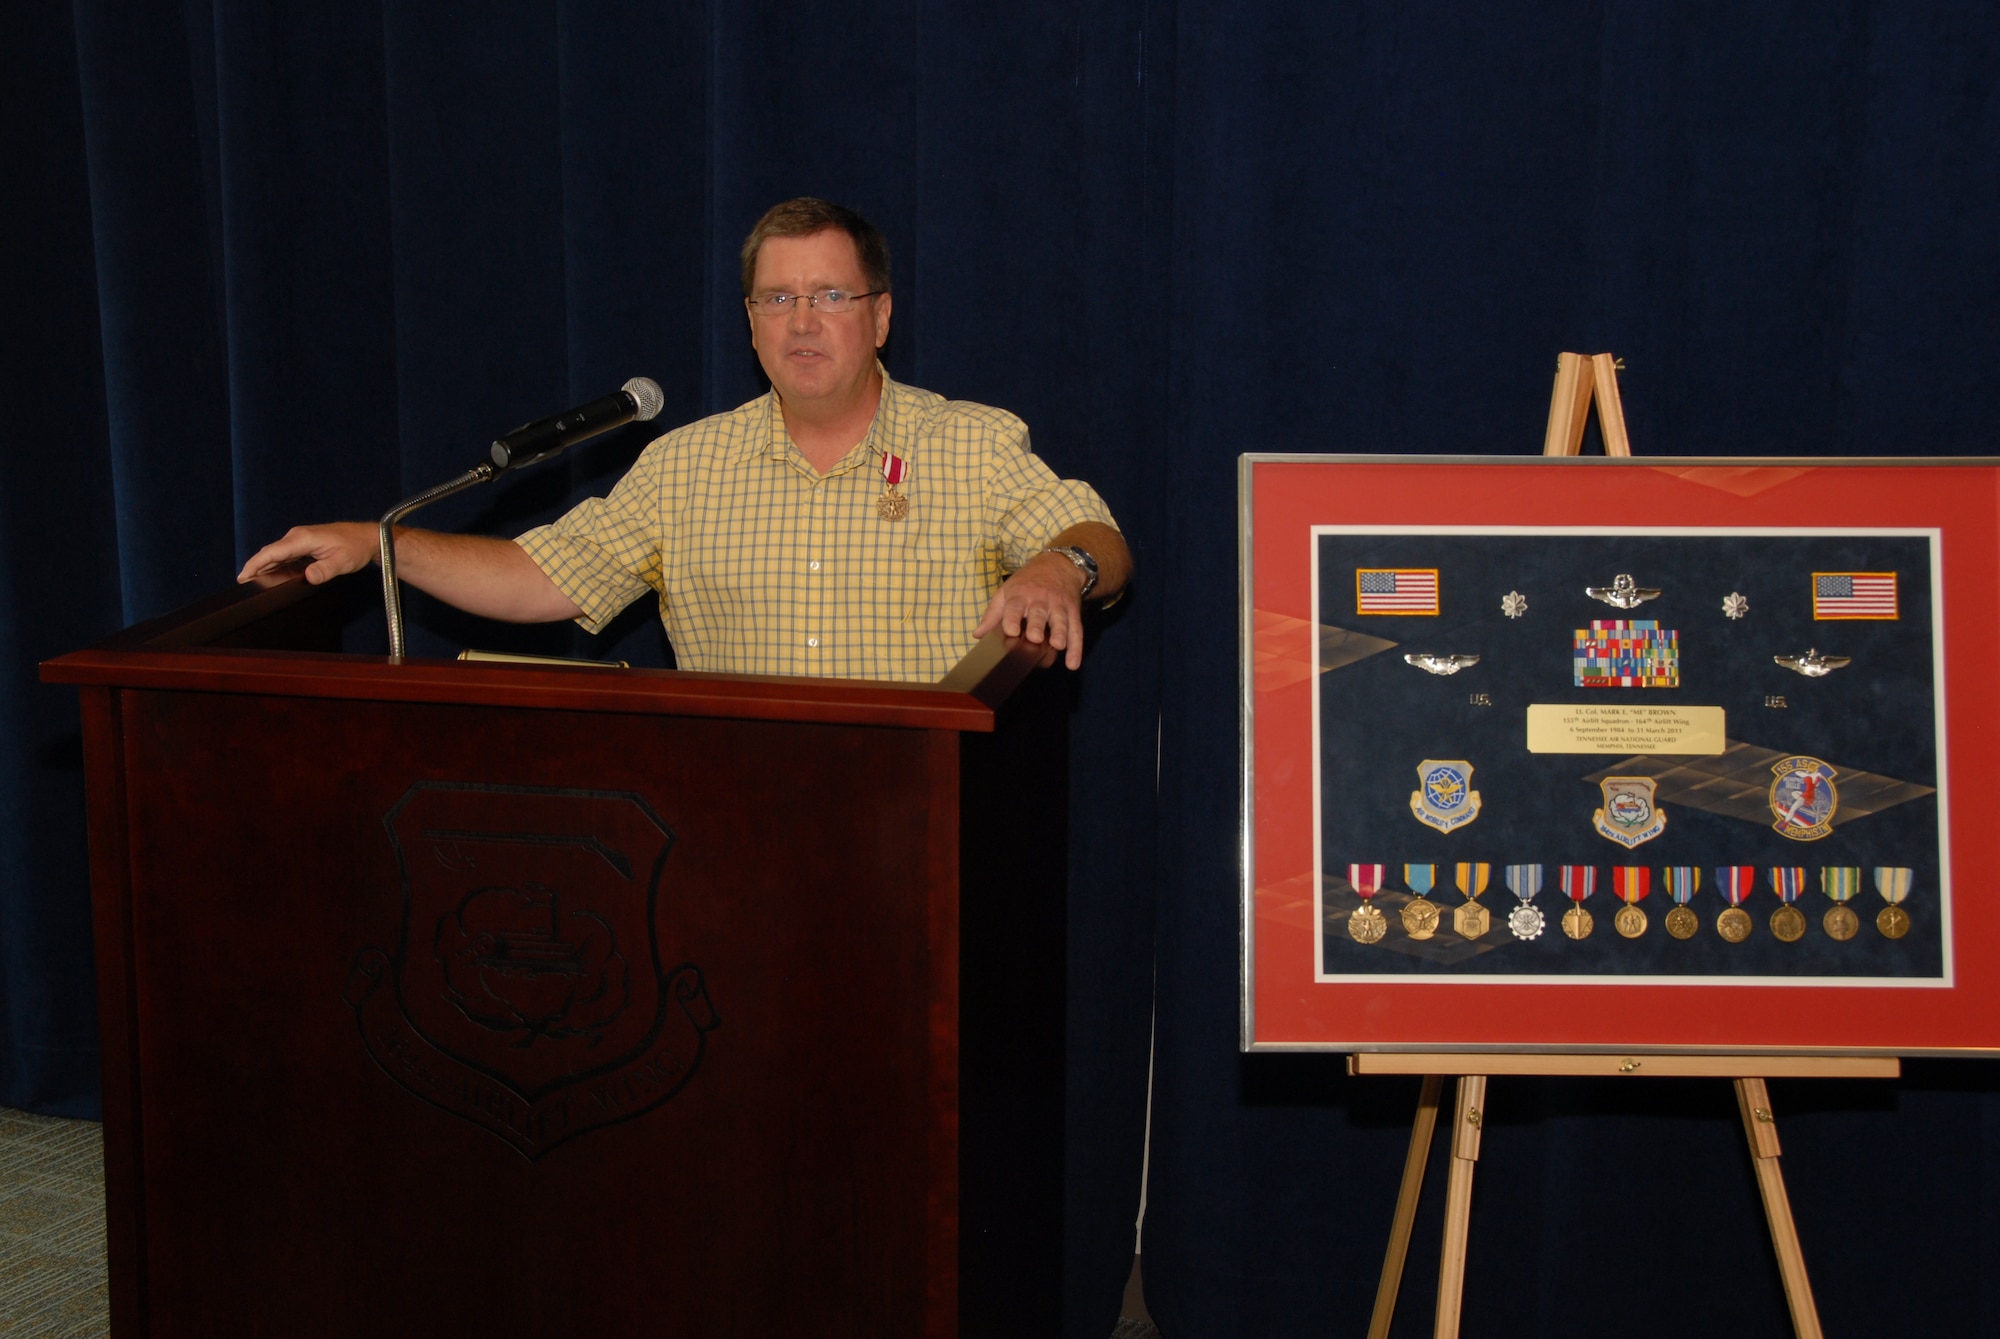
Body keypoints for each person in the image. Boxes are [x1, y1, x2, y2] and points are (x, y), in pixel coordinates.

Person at [239, 197, 1129, 681]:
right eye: (779, 299)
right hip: (732, 828)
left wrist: (1062, 567)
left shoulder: (969, 444)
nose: (804, 322)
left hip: (925, 828)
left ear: (881, 316)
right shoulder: (684, 465)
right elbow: (542, 578)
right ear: (750, 324)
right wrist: (379, 543)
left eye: (831, 296)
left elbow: (1099, 540)